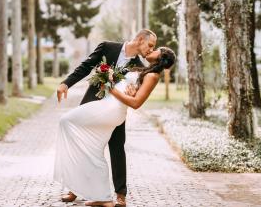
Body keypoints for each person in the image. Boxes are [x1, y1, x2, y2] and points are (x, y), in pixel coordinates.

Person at [54, 47, 175, 207]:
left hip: (111, 109)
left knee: (68, 122)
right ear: (140, 40)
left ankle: (117, 195)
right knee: (91, 148)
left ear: (160, 57)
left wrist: (110, 87)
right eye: (150, 45)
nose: (150, 49)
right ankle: (95, 194)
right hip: (104, 104)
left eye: (154, 49)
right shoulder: (137, 64)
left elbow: (136, 103)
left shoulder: (151, 74)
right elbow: (86, 67)